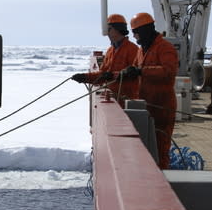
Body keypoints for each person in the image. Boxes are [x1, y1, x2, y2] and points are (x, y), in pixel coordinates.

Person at [120, 12, 179, 169]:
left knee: (160, 149)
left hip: (162, 107)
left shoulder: (165, 48)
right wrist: (119, 74)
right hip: (147, 106)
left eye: (136, 33)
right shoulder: (142, 50)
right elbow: (134, 69)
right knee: (147, 147)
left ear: (146, 30)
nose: (135, 37)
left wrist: (141, 71)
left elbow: (168, 71)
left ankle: (163, 183)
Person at [71, 14, 139, 107]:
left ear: (117, 29)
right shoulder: (110, 51)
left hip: (128, 103)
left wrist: (113, 75)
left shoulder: (133, 50)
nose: (107, 33)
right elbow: (102, 74)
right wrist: (85, 77)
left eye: (109, 29)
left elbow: (135, 75)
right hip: (114, 101)